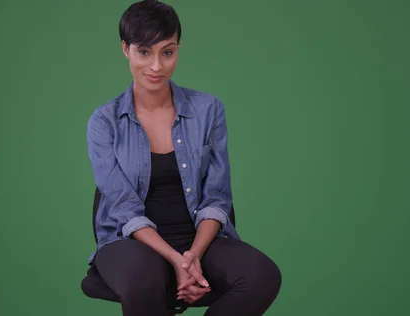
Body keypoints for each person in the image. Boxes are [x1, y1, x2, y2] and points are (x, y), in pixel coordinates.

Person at [85, 1, 281, 315]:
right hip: (130, 242)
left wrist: (192, 255)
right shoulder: (105, 122)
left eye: (167, 51)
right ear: (126, 49)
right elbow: (122, 207)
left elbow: (217, 197)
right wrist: (177, 261)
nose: (157, 66)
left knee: (262, 275)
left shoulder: (208, 110)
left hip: (196, 236)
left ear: (178, 48)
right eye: (144, 52)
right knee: (141, 279)